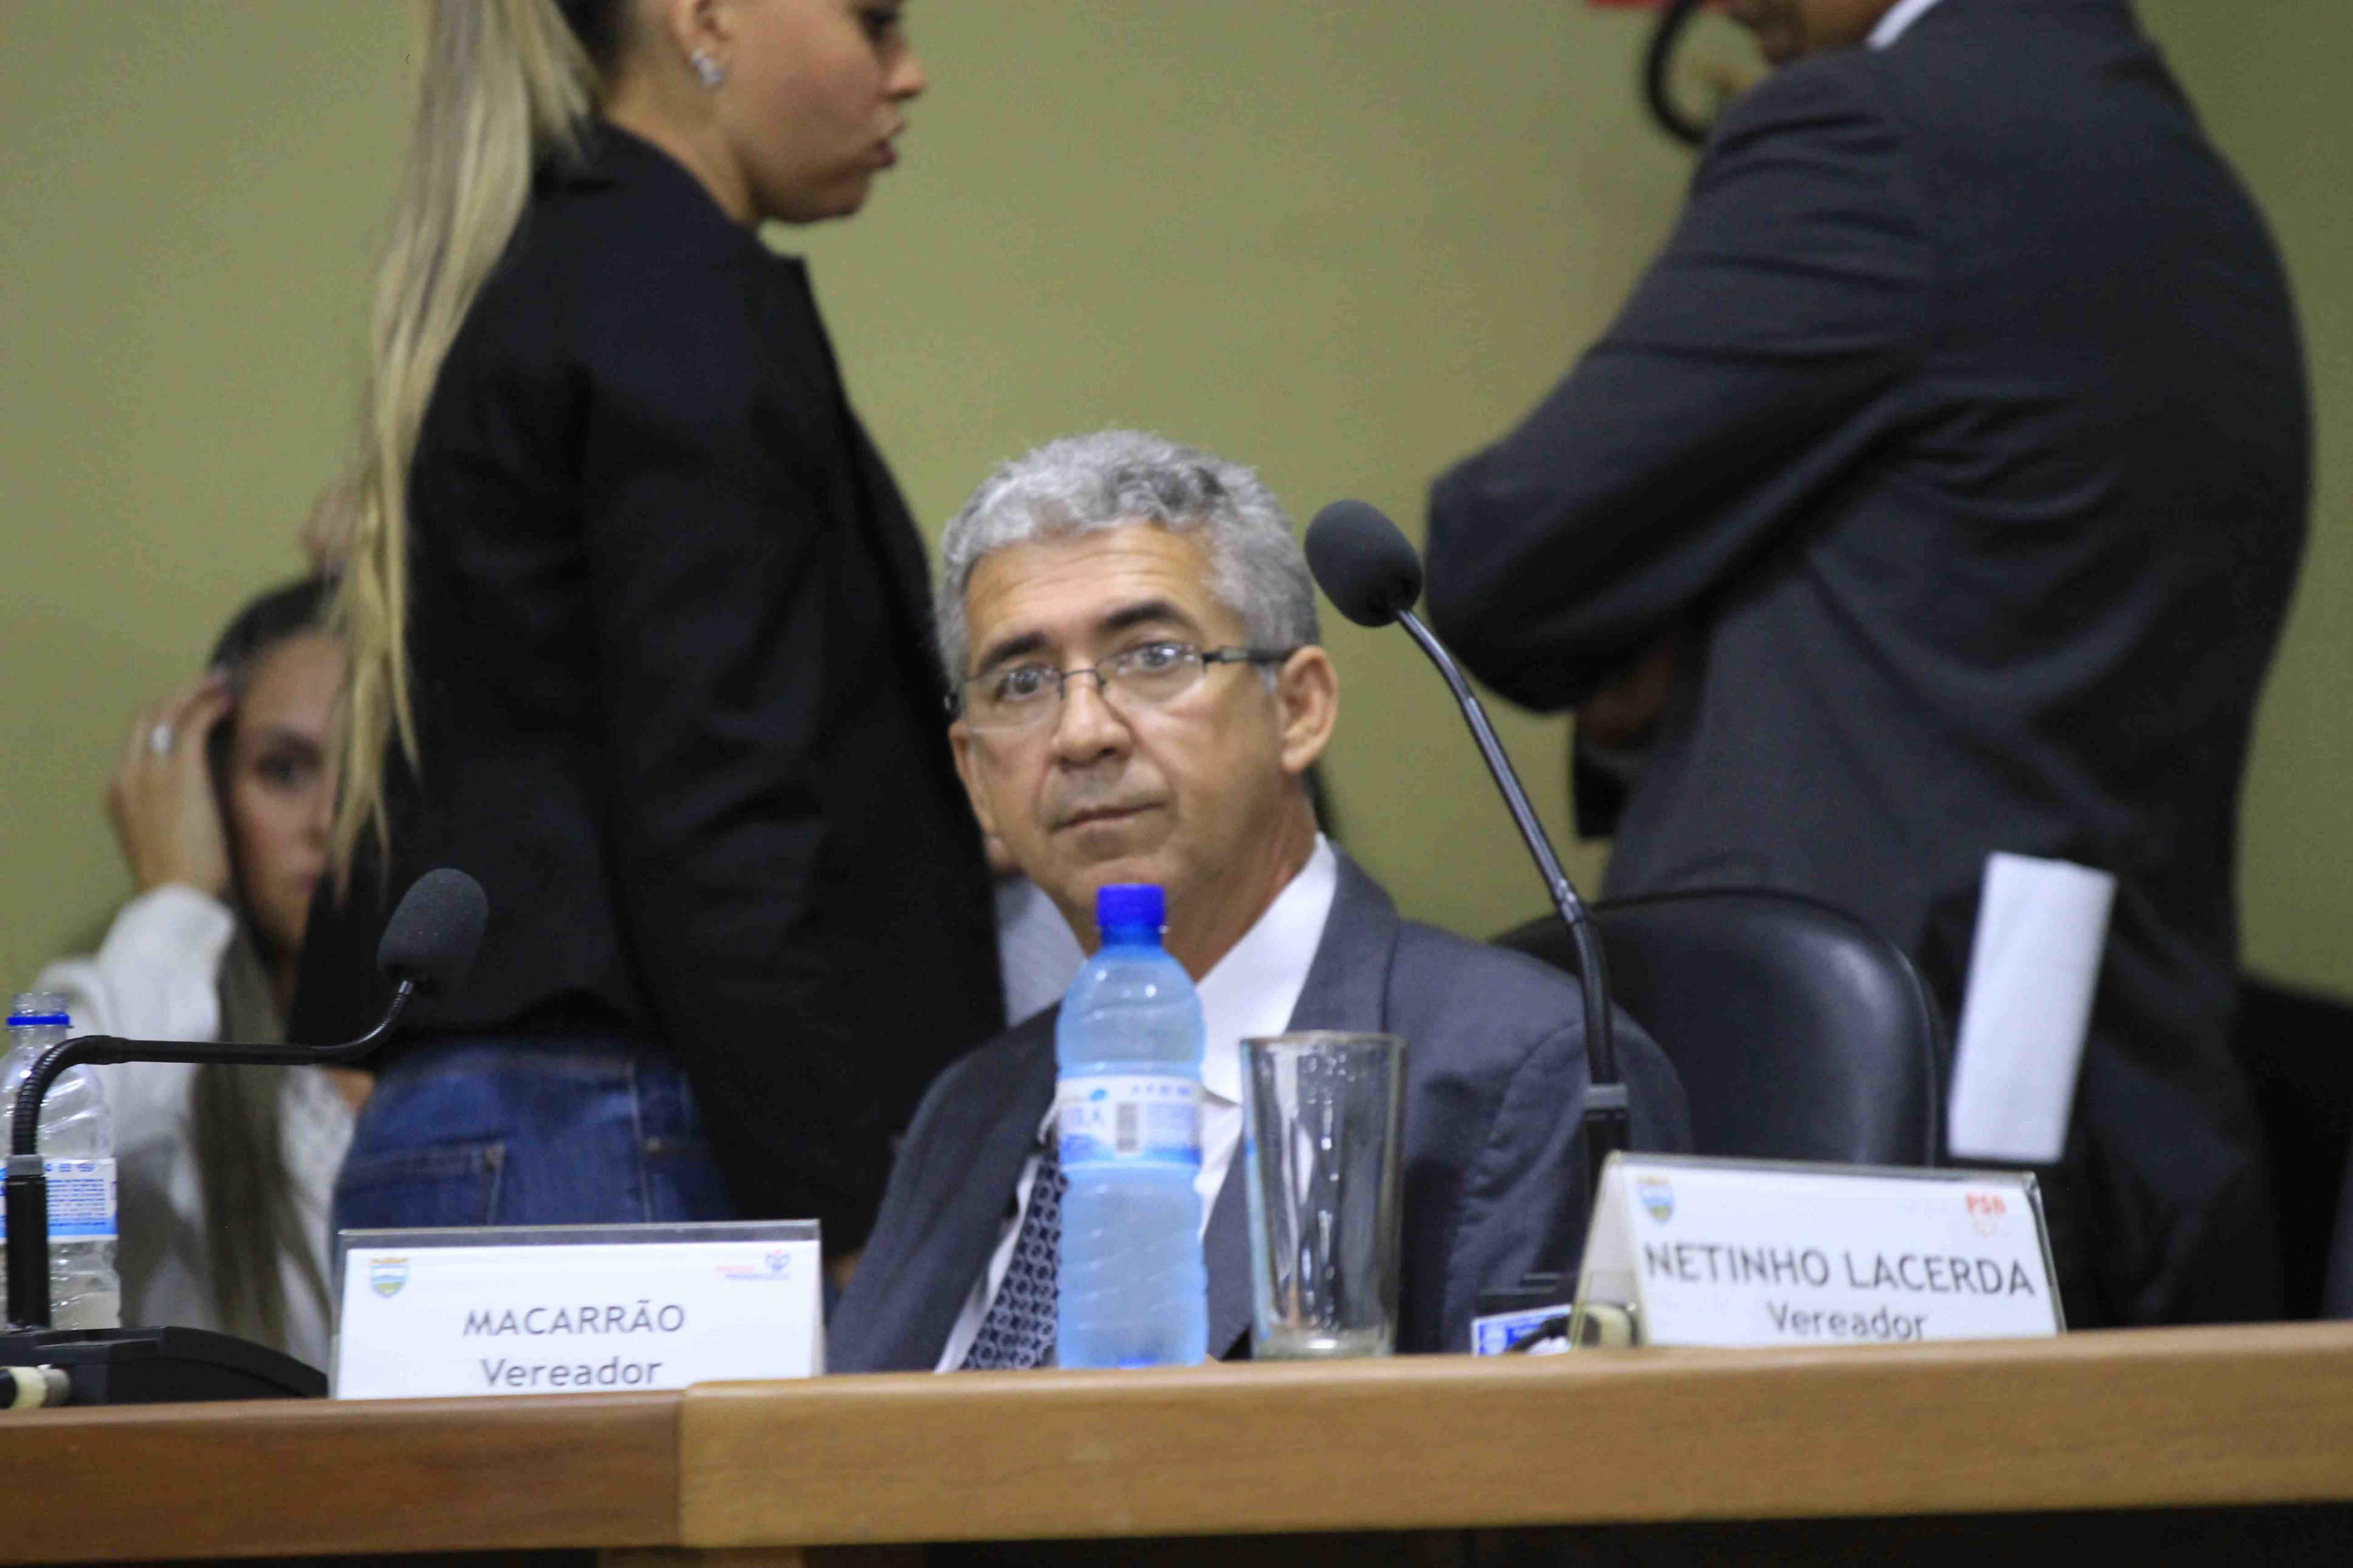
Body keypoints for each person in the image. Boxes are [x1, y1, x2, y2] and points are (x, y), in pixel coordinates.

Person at [1423, 0, 2307, 1326]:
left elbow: (1501, 556)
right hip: (2146, 1108)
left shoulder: (1872, 136)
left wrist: (1669, 624)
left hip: (1850, 1144)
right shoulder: (2192, 185)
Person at [292, 0, 1003, 1263]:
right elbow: (719, 804)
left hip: (466, 1134)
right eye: (874, 22)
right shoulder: (680, 295)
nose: (911, 74)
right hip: (624, 1137)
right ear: (708, 18)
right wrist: (847, 1217)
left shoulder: (518, 278)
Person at [830, 433, 1690, 1371]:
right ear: (975, 776)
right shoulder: (971, 1106)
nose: (1081, 732)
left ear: (1300, 708)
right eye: (1023, 682)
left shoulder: (1519, 1078)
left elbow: (1554, 1463)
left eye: (1153, 655)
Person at [35, 578, 359, 1369]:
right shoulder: (181, 1048)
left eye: (373, 771)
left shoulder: (507, 1066)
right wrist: (176, 897)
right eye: (283, 769)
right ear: (210, 795)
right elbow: (35, 1146)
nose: (328, 820)